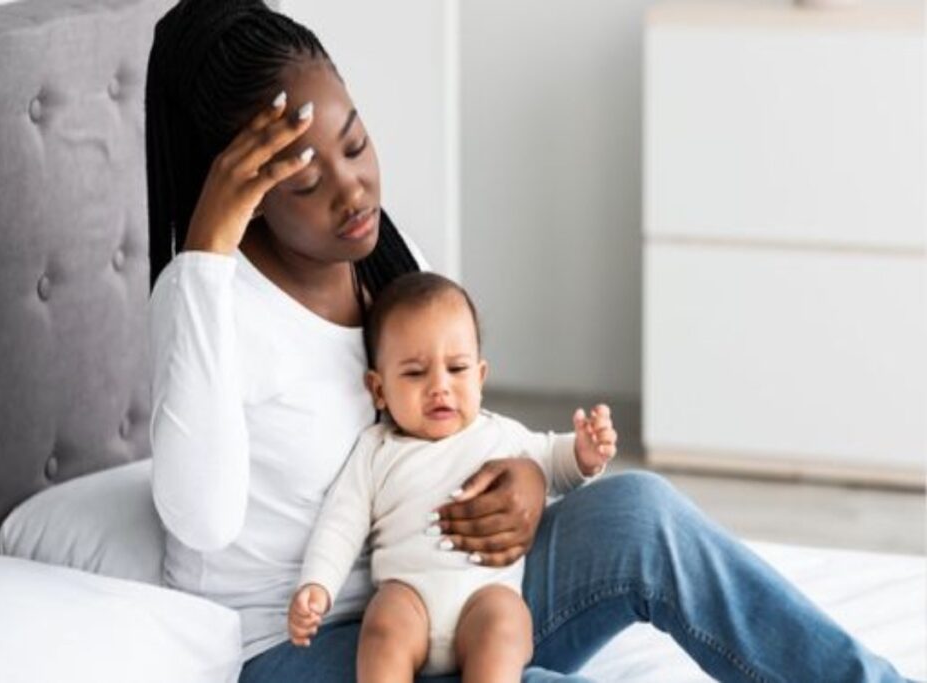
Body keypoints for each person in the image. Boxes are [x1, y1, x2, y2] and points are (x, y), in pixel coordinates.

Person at [145, 1, 912, 681]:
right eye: (306, 183)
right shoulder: (206, 300)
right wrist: (207, 251)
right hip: (306, 648)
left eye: (356, 144)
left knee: (639, 509)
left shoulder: (373, 272)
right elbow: (202, 520)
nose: (353, 190)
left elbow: (440, 432)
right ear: (236, 187)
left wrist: (528, 478)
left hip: (446, 591)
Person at [287, 272, 617, 682]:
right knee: (381, 629)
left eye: (457, 368)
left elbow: (555, 460)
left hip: (483, 597)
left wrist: (586, 452)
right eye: (414, 373)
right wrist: (317, 585)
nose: (439, 387)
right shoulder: (376, 450)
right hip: (408, 598)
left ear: (480, 377)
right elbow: (341, 523)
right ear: (378, 389)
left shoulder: (500, 435)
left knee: (506, 624)